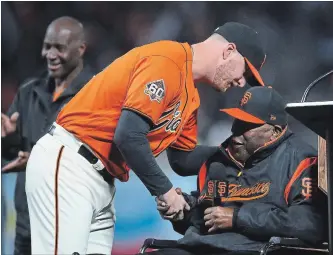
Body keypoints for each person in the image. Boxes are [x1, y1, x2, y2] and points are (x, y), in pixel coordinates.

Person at [25, 22, 267, 254]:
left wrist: (237, 153)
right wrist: (165, 190)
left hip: (101, 179)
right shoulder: (167, 61)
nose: (241, 82)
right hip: (71, 162)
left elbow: (182, 160)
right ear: (228, 51)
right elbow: (129, 135)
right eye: (245, 71)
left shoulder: (190, 96)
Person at [152, 86, 328, 255]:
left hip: (255, 249)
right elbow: (206, 220)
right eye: (237, 120)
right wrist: (183, 210)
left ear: (274, 131)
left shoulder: (302, 161)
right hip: (203, 247)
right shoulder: (218, 159)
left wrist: (238, 218)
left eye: (247, 125)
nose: (235, 131)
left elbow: (308, 225)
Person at [1, 16, 93, 255]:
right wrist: (8, 139)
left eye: (59, 47)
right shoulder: (28, 92)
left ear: (81, 49)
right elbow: (10, 156)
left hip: (68, 225)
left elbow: (97, 159)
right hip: (26, 224)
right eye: (47, 46)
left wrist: (38, 160)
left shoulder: (94, 95)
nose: (50, 54)